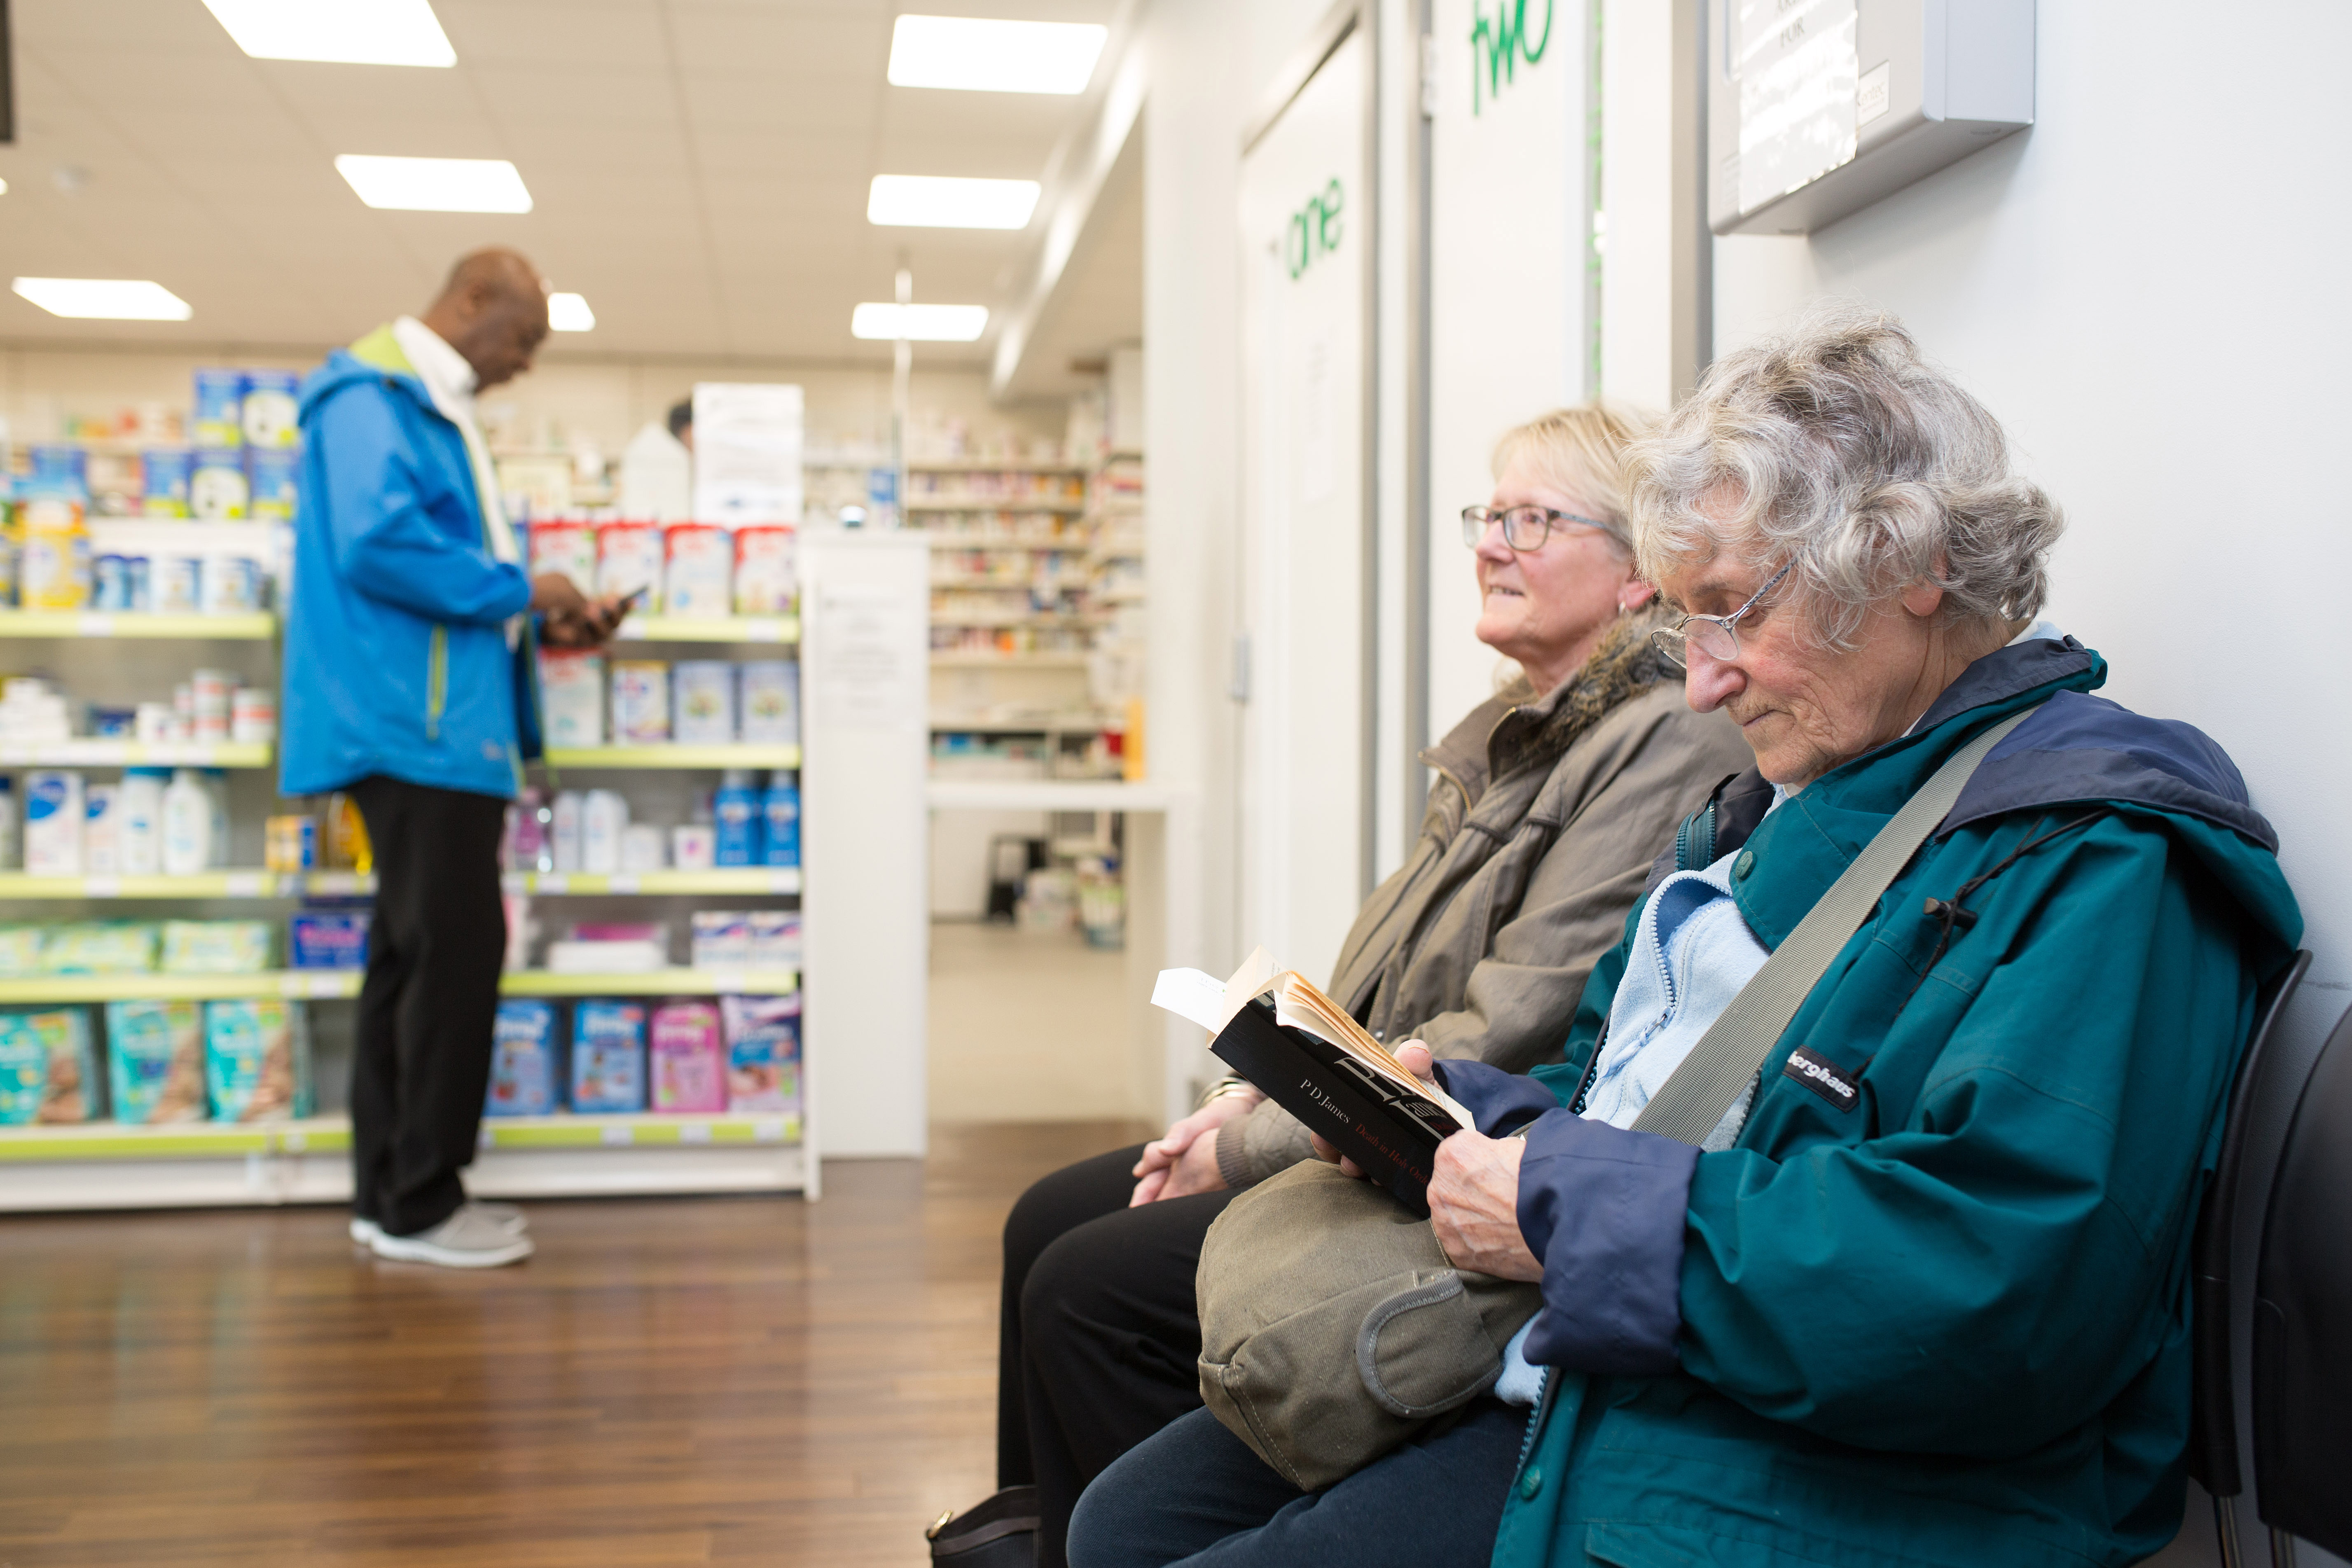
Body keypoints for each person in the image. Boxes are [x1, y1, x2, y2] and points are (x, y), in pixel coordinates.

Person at [1067, 307, 2303, 1568]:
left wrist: (1552, 1207)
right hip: (1640, 1345)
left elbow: (1998, 1291)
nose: (1702, 679)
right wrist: (1454, 1115)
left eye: (1733, 610)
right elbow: (1628, 1089)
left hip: (1804, 1457)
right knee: (1120, 1524)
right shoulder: (1784, 799)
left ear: (1908, 564)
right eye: (1683, 623)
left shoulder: (2096, 860)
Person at [963, 407, 1751, 1568]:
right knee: (1046, 1219)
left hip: (1441, 1146)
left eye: (1531, 519)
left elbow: (1513, 1021)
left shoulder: (1662, 745)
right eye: (1489, 515)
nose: (1490, 544)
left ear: (1638, 575)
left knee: (1087, 1283)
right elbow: (1373, 989)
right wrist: (1249, 1105)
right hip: (1363, 1118)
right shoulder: (1515, 733)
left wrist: (1247, 1145)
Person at [284, 248, 626, 1269]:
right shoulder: (372, 395)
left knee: (410, 957)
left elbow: (434, 579)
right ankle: (423, 1203)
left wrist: (551, 619)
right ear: (472, 301)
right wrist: (527, 583)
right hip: (413, 730)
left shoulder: (423, 407)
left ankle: (390, 1193)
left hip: (430, 724)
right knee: (454, 958)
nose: (522, 363)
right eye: (520, 337)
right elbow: (378, 546)